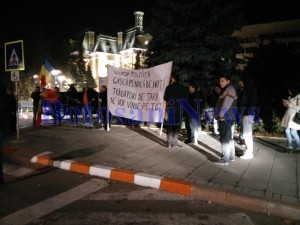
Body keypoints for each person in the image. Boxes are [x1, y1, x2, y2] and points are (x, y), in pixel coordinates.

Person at [214, 75, 237, 165]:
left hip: (225, 117)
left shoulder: (229, 90)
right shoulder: (228, 90)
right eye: (220, 81)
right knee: (228, 137)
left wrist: (220, 116)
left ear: (228, 81)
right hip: (229, 117)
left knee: (224, 138)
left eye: (222, 81)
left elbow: (226, 105)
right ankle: (231, 156)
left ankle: (224, 159)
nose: (220, 83)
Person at [163, 73, 188, 148]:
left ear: (173, 79)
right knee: (177, 126)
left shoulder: (169, 87)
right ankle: (174, 142)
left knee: (170, 125)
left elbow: (165, 98)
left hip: (171, 108)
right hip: (179, 109)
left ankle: (169, 142)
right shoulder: (183, 88)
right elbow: (186, 99)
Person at [238, 78, 258, 159]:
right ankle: (247, 150)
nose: (239, 83)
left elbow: (251, 102)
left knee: (247, 134)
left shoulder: (250, 90)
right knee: (246, 133)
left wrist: (247, 112)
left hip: (248, 114)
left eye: (240, 81)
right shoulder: (246, 90)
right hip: (245, 113)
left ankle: (249, 153)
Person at [281, 86, 300, 153]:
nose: (289, 92)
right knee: (287, 131)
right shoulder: (290, 97)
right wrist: (285, 104)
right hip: (289, 116)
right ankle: (289, 147)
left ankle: (298, 147)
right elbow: (289, 106)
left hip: (294, 117)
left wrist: (290, 104)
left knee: (293, 132)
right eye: (288, 91)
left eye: (290, 91)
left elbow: (299, 108)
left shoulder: (298, 96)